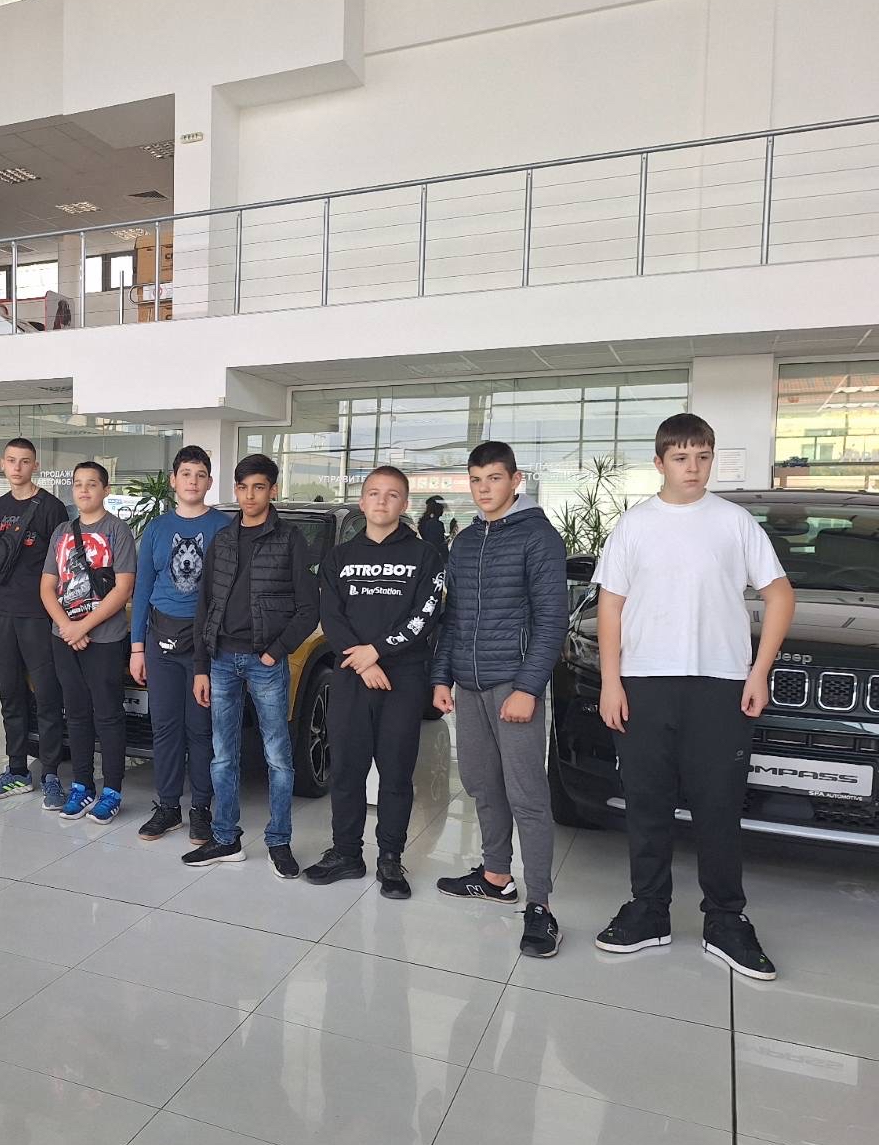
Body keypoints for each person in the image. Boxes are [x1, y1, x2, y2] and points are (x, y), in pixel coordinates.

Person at [592, 413, 793, 980]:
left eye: (703, 456)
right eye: (681, 458)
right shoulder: (635, 525)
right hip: (644, 682)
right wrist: (611, 680)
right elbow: (611, 606)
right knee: (647, 803)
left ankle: (725, 920)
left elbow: (780, 595)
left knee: (719, 806)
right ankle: (648, 911)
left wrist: (759, 671)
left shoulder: (734, 522)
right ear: (660, 462)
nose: (694, 468)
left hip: (721, 683)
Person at [431, 441, 569, 958]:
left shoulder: (539, 538)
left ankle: (541, 905)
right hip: (468, 686)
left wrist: (529, 687)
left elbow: (552, 620)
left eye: (493, 478)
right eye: (476, 479)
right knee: (482, 784)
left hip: (514, 686)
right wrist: (441, 677)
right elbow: (453, 617)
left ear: (516, 480)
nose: (484, 488)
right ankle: (495, 877)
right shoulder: (465, 541)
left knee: (527, 794)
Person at [306, 466, 445, 896]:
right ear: (362, 501)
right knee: (346, 769)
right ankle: (346, 853)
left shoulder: (426, 557)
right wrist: (365, 661)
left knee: (396, 772)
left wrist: (379, 650)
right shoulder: (339, 557)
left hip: (403, 679)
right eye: (374, 493)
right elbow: (331, 615)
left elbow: (426, 616)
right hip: (352, 675)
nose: (382, 501)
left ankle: (390, 859)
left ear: (405, 504)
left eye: (392, 495)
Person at [183, 453, 319, 877]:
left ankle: (279, 841)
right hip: (221, 659)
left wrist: (276, 651)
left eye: (258, 487)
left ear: (272, 490)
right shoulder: (223, 540)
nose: (249, 495)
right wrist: (201, 665)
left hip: (265, 662)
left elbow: (308, 608)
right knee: (223, 756)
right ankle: (226, 838)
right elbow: (205, 606)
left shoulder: (290, 539)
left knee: (278, 756)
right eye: (242, 487)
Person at [130, 444, 230, 843]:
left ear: (209, 482)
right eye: (186, 473)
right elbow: (142, 589)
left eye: (200, 475)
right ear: (173, 480)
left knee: (201, 728)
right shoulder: (156, 529)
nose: (192, 481)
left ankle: (201, 808)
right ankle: (168, 806)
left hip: (206, 643)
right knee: (165, 726)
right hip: (160, 639)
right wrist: (137, 647)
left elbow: (228, 592)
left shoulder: (223, 528)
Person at [40, 461, 138, 823]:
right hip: (64, 637)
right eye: (78, 484)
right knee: (76, 713)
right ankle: (81, 785)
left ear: (106, 490)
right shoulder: (62, 532)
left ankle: (112, 790)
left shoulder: (118, 531)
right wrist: (67, 625)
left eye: (92, 484)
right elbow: (47, 586)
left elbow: (123, 589)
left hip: (105, 638)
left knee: (108, 714)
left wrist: (83, 627)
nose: (84, 490)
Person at [0, 438, 71, 802]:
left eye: (25, 461)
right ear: (3, 464)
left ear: (36, 465)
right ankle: (17, 769)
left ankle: (50, 772)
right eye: (12, 461)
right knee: (10, 694)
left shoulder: (51, 508)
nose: (17, 467)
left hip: (40, 613)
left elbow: (64, 564)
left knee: (47, 695)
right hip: (3, 611)